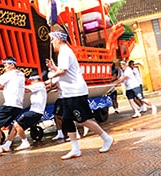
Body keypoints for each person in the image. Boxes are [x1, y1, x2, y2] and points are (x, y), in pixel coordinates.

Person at [46, 31, 113, 159]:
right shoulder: (63, 53)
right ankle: (75, 149)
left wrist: (51, 76)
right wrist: (54, 68)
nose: (52, 43)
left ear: (59, 40)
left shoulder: (65, 52)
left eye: (52, 40)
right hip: (68, 93)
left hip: (75, 92)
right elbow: (66, 71)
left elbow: (63, 70)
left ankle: (106, 138)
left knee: (83, 120)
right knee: (67, 119)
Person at [1, 73, 47, 152]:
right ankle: (7, 145)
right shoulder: (38, 86)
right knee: (15, 127)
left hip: (36, 112)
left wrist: (12, 86)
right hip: (34, 112)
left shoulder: (40, 84)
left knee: (16, 124)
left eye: (31, 80)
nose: (30, 82)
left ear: (36, 79)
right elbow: (25, 90)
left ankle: (25, 142)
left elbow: (26, 89)